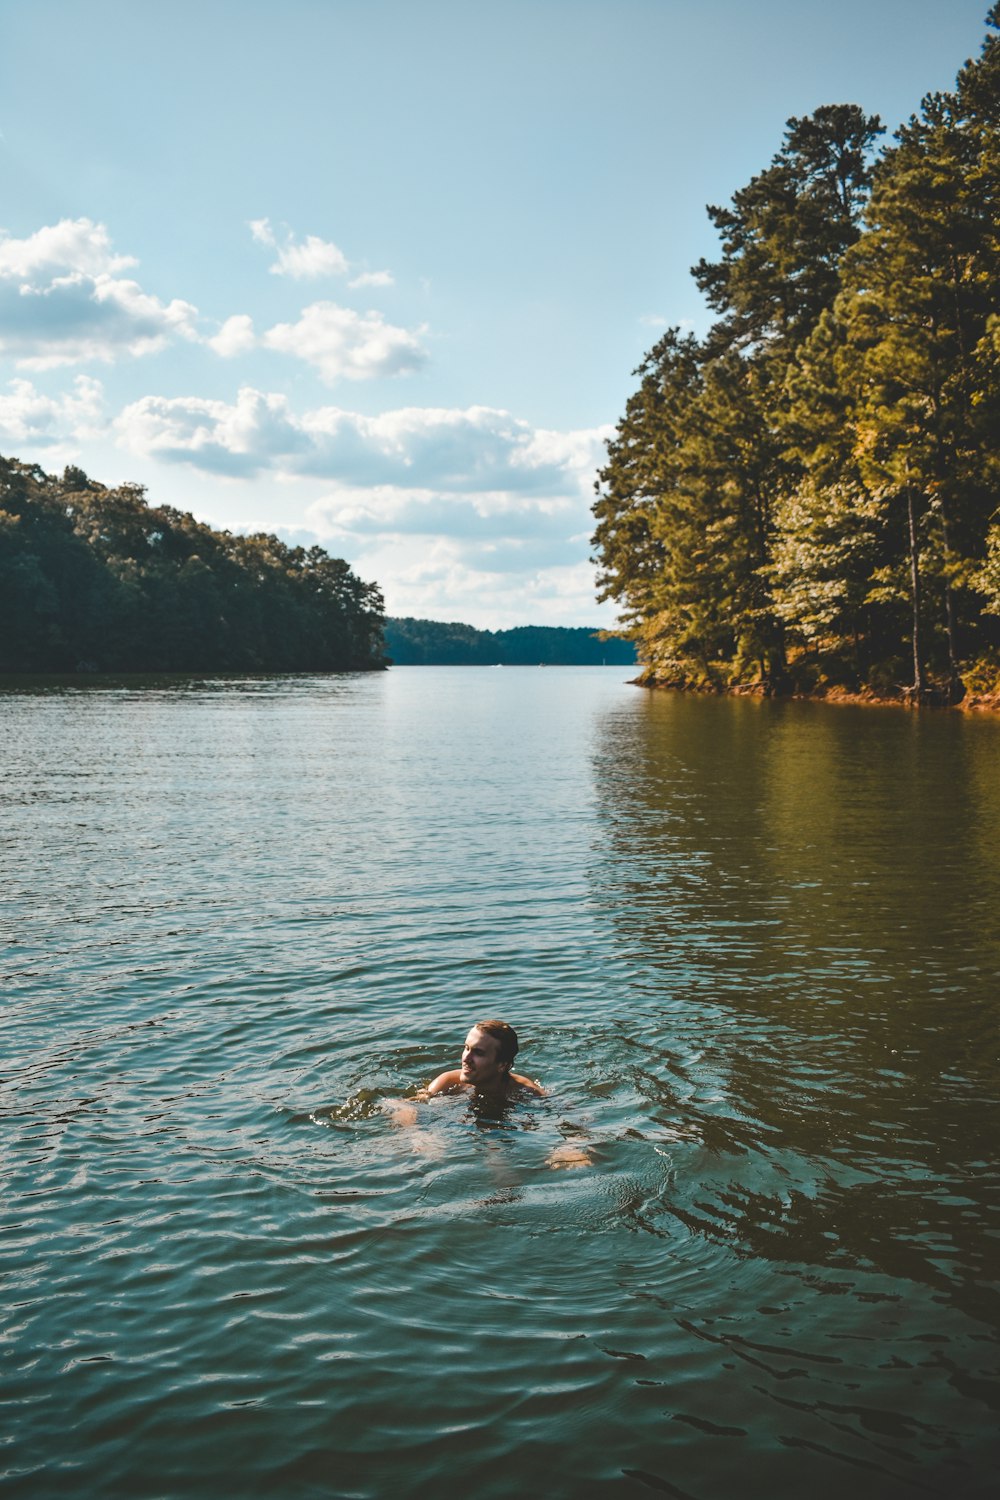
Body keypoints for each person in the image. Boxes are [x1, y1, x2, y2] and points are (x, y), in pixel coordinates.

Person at [425, 1019, 544, 1102]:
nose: (466, 1058)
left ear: (502, 1065)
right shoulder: (448, 1082)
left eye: (478, 1053)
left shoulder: (527, 1093)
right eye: (467, 1048)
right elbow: (414, 1104)